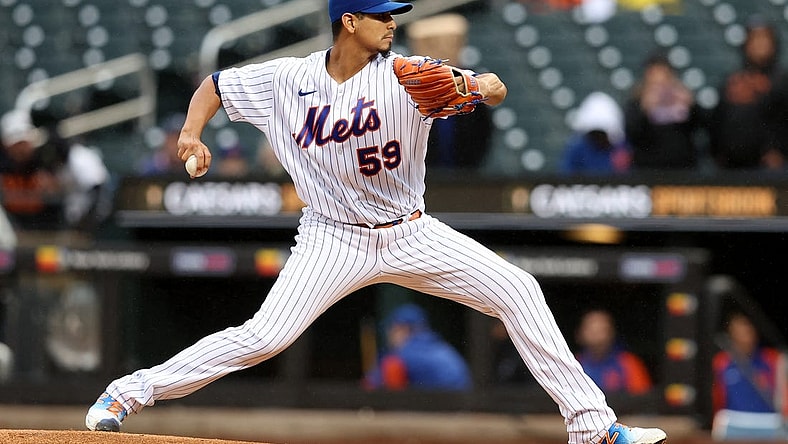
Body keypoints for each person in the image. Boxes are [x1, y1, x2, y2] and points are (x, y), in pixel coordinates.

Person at [85, 2, 667, 443]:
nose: (392, 23)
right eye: (381, 15)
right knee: (264, 338)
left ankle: (593, 428)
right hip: (330, 238)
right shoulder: (287, 79)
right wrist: (191, 133)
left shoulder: (407, 75)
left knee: (518, 289)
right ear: (347, 22)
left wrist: (481, 86)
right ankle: (126, 393)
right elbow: (215, 86)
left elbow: (488, 89)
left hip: (410, 231)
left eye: (395, 14)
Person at [0, 109, 110, 231]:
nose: (21, 149)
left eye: (23, 143)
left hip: (60, 224)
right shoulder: (6, 163)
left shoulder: (55, 155)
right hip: (18, 228)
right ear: (6, 145)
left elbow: (95, 189)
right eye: (15, 145)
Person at [710, 15, 786, 171]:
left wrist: (779, 151)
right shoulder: (732, 80)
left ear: (774, 44)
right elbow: (717, 120)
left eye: (764, 39)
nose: (759, 44)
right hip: (731, 167)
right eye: (754, 39)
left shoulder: (783, 80)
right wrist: (719, 152)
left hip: (772, 167)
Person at [711, 312, 788, 439]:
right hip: (734, 423)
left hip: (770, 424)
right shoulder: (721, 362)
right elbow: (716, 397)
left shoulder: (773, 359)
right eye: (740, 330)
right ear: (731, 333)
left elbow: (784, 393)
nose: (745, 334)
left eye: (748, 328)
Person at [624, 53, 706, 170]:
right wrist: (644, 110)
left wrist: (692, 105)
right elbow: (632, 134)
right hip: (648, 169)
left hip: (683, 169)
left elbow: (700, 126)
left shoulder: (681, 98)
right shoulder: (637, 102)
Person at [363, 303, 471, 391]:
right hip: (465, 409)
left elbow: (372, 388)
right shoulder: (441, 346)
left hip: (445, 412)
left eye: (393, 329)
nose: (389, 334)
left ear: (403, 329)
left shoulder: (404, 353)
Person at [575, 309, 652, 395]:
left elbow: (643, 399)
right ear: (579, 334)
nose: (596, 335)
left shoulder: (629, 363)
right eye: (591, 330)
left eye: (602, 330)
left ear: (612, 333)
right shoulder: (573, 364)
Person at [561, 92, 631, 175]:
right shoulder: (577, 148)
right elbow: (566, 176)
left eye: (602, 133)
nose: (599, 137)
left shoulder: (621, 148)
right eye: (595, 133)